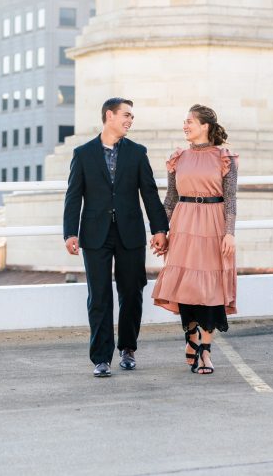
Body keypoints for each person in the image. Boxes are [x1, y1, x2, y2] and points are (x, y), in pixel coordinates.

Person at [63, 97, 169, 378]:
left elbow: (149, 193)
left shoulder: (137, 153)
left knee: (132, 291)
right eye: (126, 115)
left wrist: (160, 229)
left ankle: (128, 348)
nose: (130, 120)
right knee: (98, 295)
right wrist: (70, 232)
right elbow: (73, 196)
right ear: (109, 116)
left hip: (130, 232)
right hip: (95, 234)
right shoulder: (83, 154)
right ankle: (101, 358)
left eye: (132, 116)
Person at [151, 104, 238, 375]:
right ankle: (191, 339)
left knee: (211, 288)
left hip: (213, 224)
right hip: (183, 223)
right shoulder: (178, 158)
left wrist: (230, 233)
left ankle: (206, 350)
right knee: (186, 286)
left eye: (190, 121)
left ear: (205, 126)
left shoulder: (225, 158)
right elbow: (170, 199)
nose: (185, 125)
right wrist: (160, 231)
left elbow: (231, 199)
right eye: (185, 121)